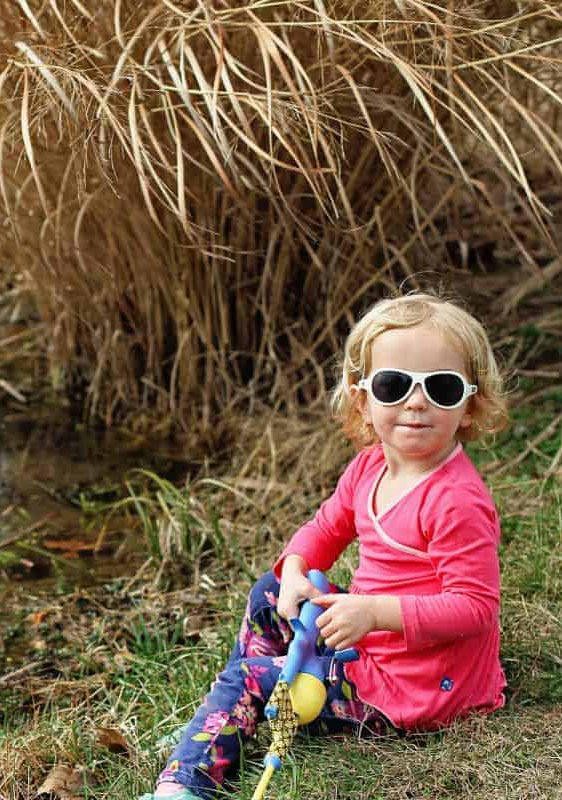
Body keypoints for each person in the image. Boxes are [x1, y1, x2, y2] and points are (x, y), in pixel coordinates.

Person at [141, 292, 510, 799]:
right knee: (271, 591)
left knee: (252, 676)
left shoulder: (455, 500)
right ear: (363, 399)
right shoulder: (369, 467)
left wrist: (375, 613)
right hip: (371, 639)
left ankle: (187, 782)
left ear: (470, 404)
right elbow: (325, 530)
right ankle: (232, 718)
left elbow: (474, 608)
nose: (417, 401)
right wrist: (295, 568)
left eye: (442, 388)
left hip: (414, 686)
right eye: (394, 384)